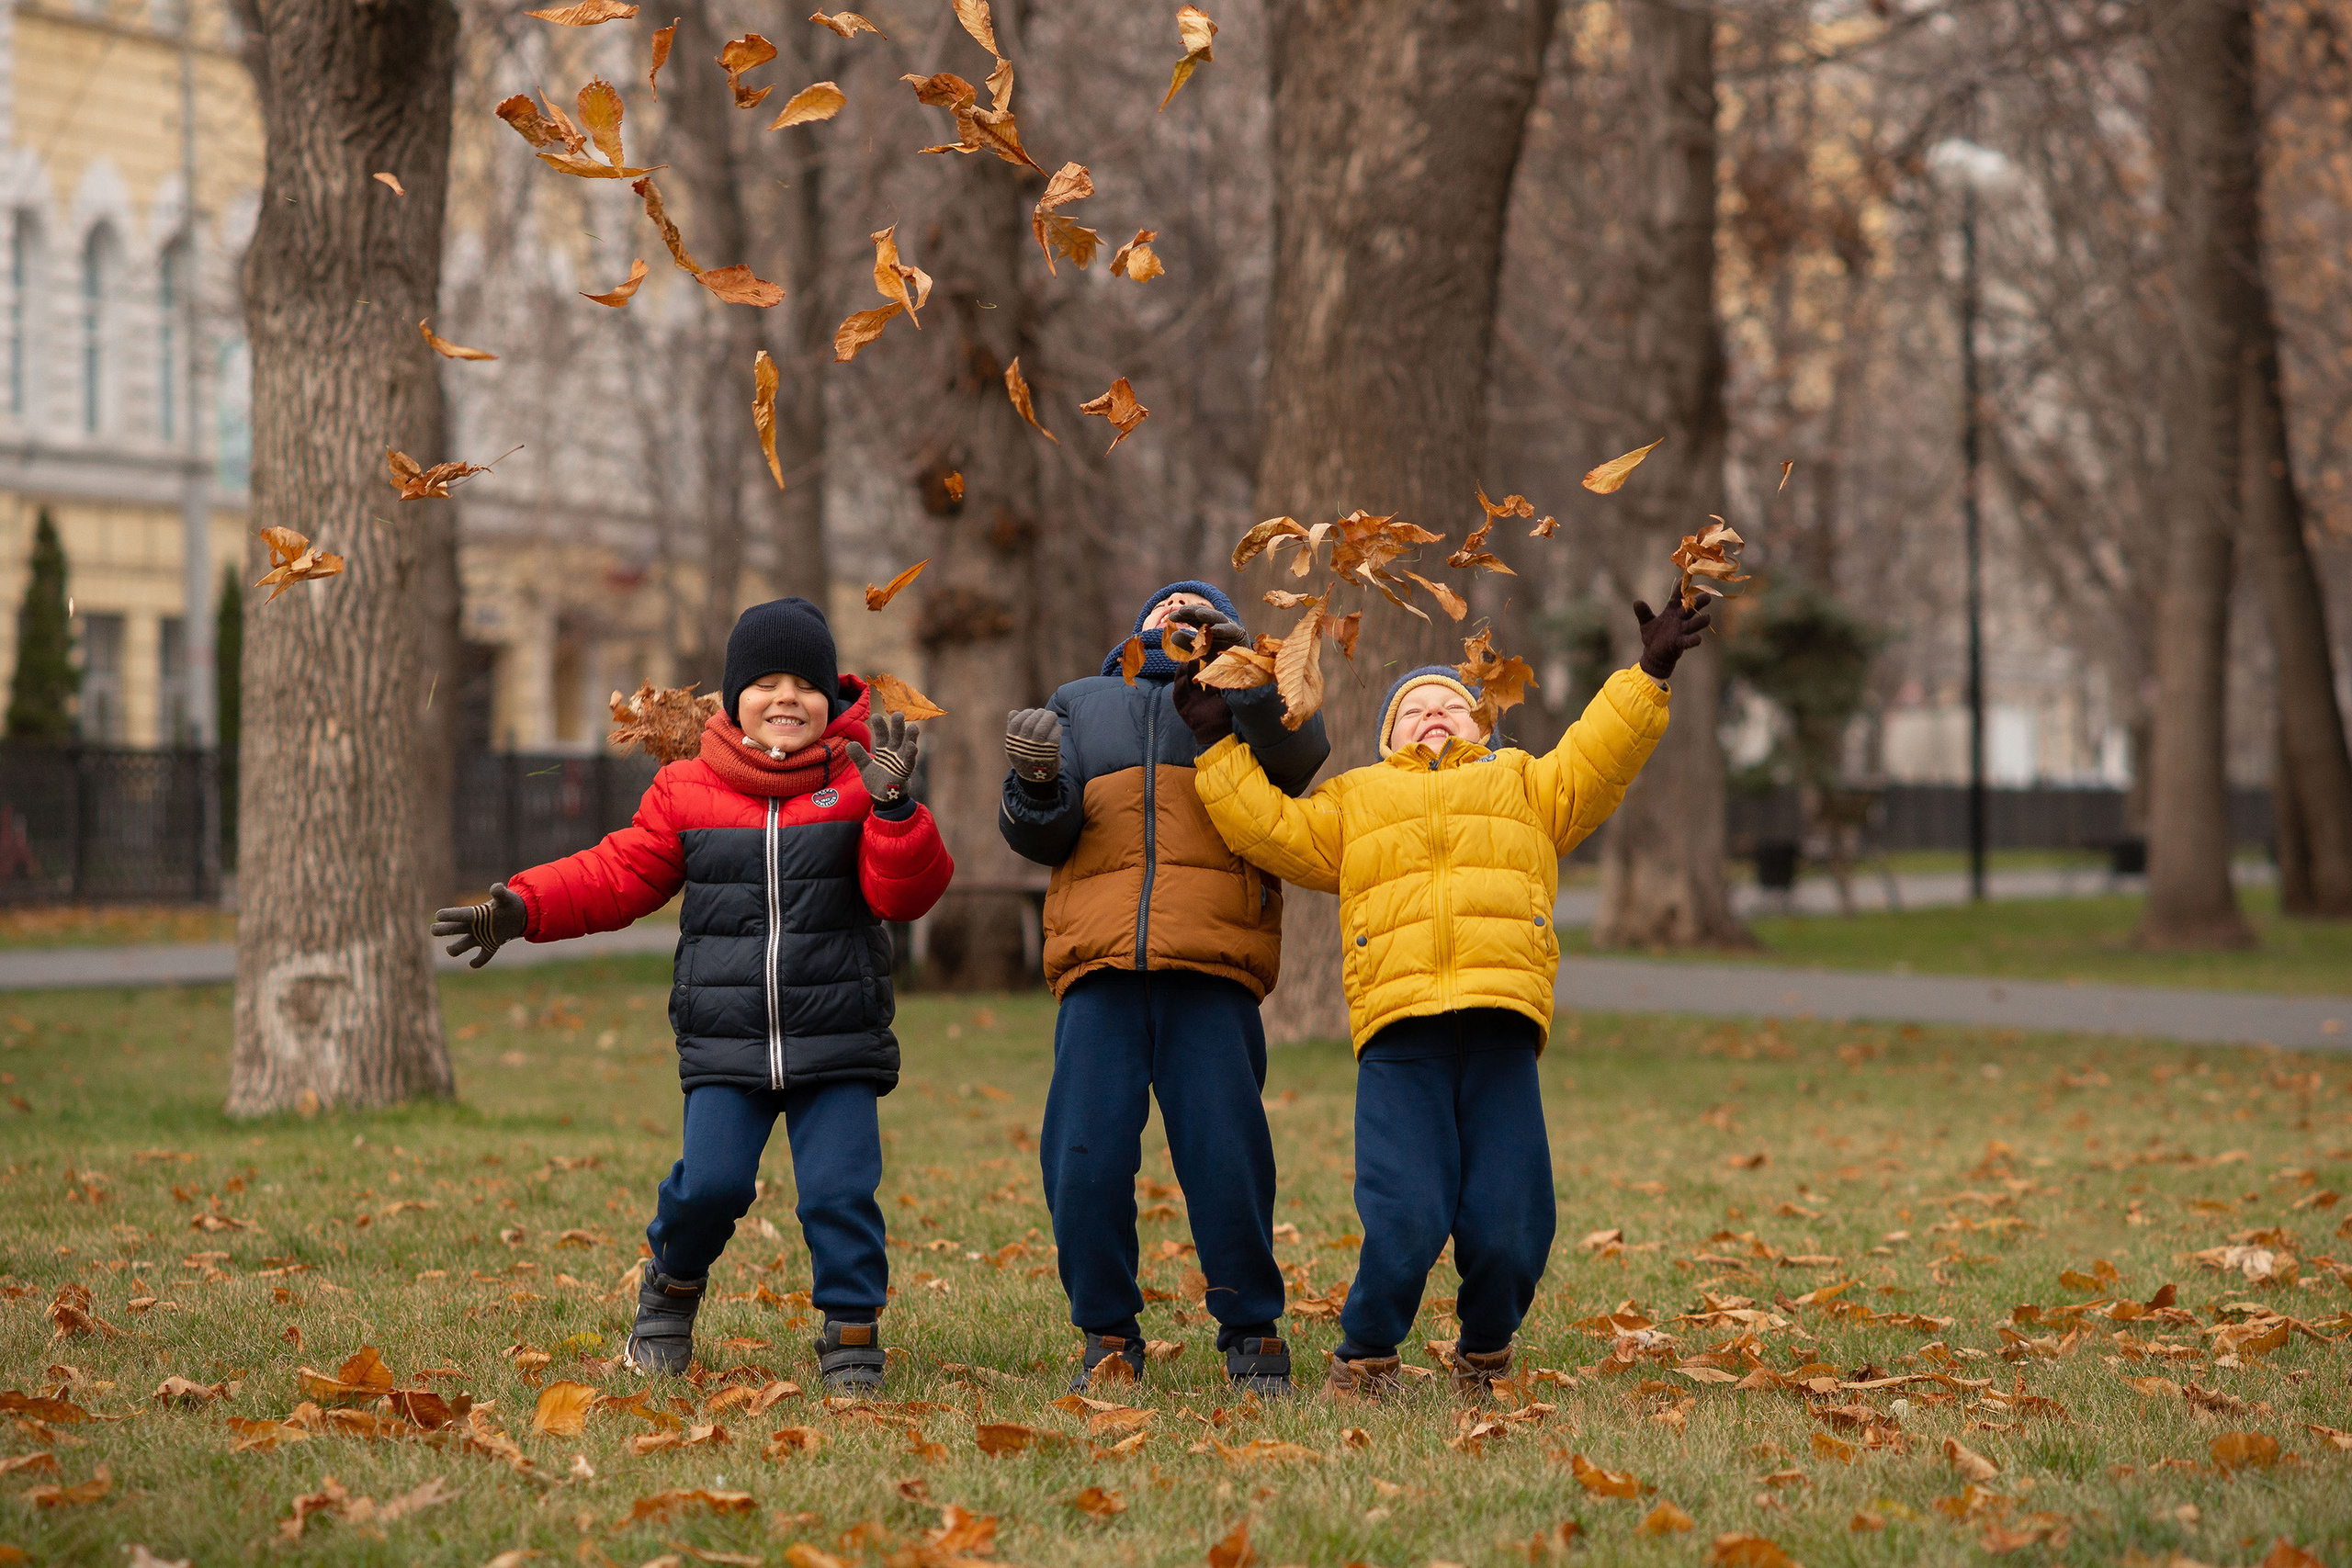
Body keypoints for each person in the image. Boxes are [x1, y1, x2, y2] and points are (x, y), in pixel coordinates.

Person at [1187, 594, 1709, 1397]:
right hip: (1402, 1043)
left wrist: (1650, 673)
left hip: (1501, 1032)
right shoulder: (1356, 800)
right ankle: (1364, 1357)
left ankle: (1487, 1350)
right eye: (1412, 712)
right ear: (1386, 738)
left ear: (1482, 730)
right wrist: (1214, 743)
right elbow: (1268, 829)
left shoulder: (1527, 784)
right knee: (1405, 1220)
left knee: (1512, 1226)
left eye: (1452, 708)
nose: (1432, 717)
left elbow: (1601, 756)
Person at [431, 597, 953, 1389]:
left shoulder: (857, 785)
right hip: (726, 1037)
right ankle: (671, 1291)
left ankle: (851, 1334)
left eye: (805, 684)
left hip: (837, 1034)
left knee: (842, 1194)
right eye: (766, 682)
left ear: (832, 698)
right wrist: (524, 906)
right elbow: (615, 873)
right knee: (709, 1185)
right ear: (735, 698)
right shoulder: (688, 791)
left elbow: (903, 895)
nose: (786, 698)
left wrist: (894, 810)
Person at [1000, 581, 1330, 1394]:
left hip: (1212, 967)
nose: (1178, 612)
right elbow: (1042, 835)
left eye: (1198, 604)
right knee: (1082, 1159)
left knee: (1228, 1159)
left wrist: (1241, 675)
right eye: (1165, 604)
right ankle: (1107, 1333)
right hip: (1100, 968)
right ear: (1136, 626)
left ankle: (1252, 1333)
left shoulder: (1256, 693)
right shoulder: (1082, 701)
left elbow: (1298, 759)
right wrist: (1037, 786)